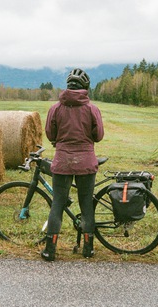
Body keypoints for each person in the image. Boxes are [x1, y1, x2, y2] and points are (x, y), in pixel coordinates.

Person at [42, 68, 104, 261]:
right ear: (85, 87)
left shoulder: (55, 108)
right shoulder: (92, 109)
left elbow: (50, 134)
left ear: (68, 86)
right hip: (86, 161)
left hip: (62, 161)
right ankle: (88, 249)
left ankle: (50, 250)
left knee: (57, 204)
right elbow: (99, 136)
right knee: (86, 204)